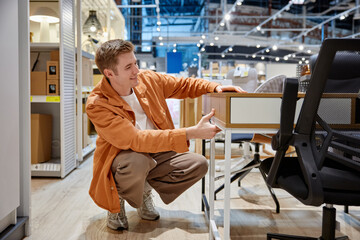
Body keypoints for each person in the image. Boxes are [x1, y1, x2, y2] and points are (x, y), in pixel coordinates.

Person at [86, 39, 245, 231]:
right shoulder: (97, 103)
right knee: (138, 161)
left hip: (157, 153)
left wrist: (214, 87)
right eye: (128, 67)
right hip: (124, 157)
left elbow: (183, 85)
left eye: (135, 63)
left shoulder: (147, 80)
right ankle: (116, 201)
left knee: (198, 164)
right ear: (109, 73)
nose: (136, 70)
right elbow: (135, 140)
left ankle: (144, 191)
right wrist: (191, 132)